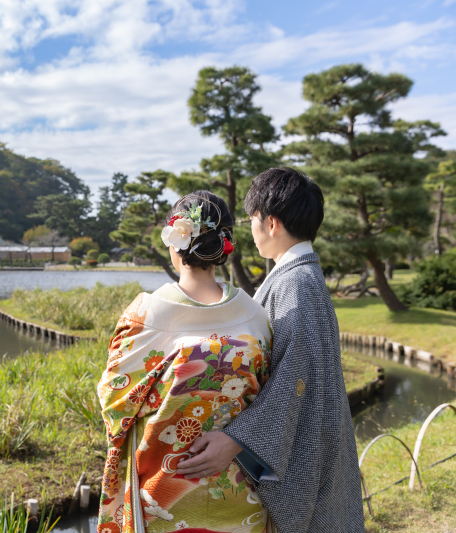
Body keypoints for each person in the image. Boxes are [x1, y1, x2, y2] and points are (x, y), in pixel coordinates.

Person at [174, 167, 364, 531]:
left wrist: (236, 439)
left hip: (309, 453)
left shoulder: (297, 284)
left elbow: (295, 377)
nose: (251, 228)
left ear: (272, 223)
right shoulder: (302, 276)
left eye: (252, 219)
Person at [97, 191, 276, 533]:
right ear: (225, 246)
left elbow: (114, 399)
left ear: (174, 244)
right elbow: (268, 400)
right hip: (240, 491)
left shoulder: (145, 315)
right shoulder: (255, 316)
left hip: (165, 495)